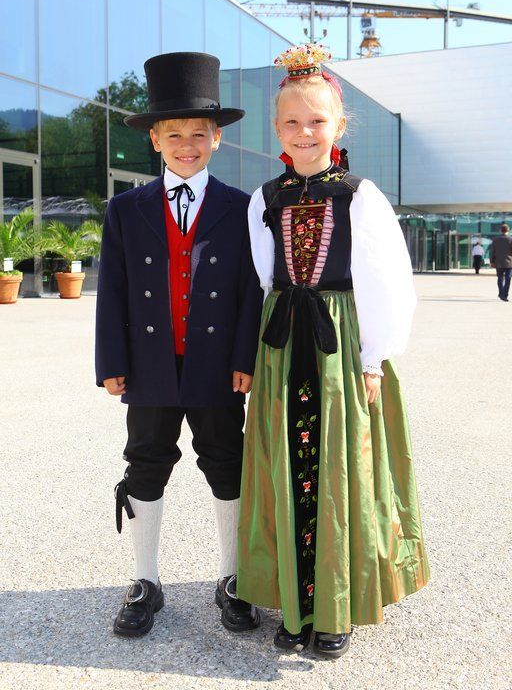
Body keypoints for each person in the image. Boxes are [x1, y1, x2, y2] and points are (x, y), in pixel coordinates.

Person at [237, 45, 430, 658]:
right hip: (283, 343)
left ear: (339, 126)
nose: (305, 132)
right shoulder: (264, 198)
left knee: (338, 465)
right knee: (287, 465)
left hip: (337, 345)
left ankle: (334, 605)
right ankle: (293, 604)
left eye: (317, 120)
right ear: (277, 129)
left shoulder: (360, 195)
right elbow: (263, 280)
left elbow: (387, 280)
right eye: (292, 122)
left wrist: (374, 358)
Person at [95, 52, 262, 637]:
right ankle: (146, 580)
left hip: (217, 365)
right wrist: (111, 362)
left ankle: (232, 578)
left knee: (226, 461)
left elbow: (251, 291)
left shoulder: (242, 208)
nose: (186, 145)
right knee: (145, 462)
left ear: (217, 138)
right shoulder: (126, 209)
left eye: (198, 134)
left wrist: (245, 358)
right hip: (148, 363)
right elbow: (112, 291)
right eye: (173, 135)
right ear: (155, 141)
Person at [489, 224, 512, 301]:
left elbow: (492, 251)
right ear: (508, 230)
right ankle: (504, 295)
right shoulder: (510, 239)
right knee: (508, 279)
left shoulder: (495, 239)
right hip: (509, 263)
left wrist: (492, 261)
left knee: (500, 278)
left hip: (498, 262)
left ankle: (501, 293)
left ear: (500, 230)